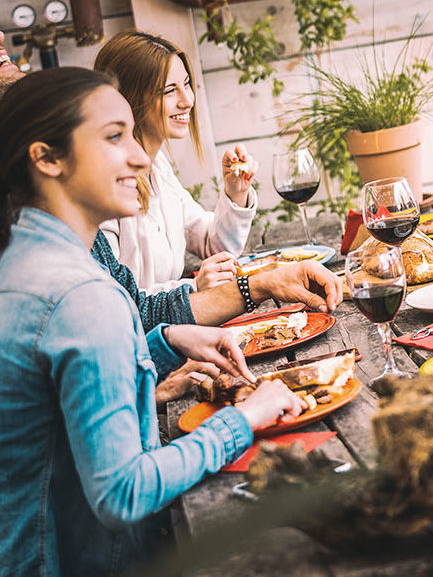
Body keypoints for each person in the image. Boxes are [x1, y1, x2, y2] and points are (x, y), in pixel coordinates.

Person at [0, 67, 307, 574]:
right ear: (46, 158)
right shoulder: (80, 295)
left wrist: (164, 341)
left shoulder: (24, 257)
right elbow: (124, 493)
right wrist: (244, 420)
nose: (141, 157)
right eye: (114, 138)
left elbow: (59, 395)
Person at [95, 31, 258, 292]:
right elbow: (114, 299)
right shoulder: (102, 187)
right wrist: (193, 288)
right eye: (169, 90)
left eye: (186, 84)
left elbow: (213, 246)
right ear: (129, 99)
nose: (187, 100)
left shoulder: (158, 166)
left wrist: (236, 193)